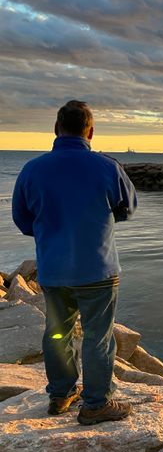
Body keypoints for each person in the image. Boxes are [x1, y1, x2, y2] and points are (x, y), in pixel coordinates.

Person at [12, 100, 137, 425]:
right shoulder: (108, 167)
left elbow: (22, 220)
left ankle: (60, 395)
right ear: (91, 132)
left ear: (56, 129)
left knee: (57, 332)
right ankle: (96, 404)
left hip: (54, 270)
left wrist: (48, 230)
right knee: (98, 335)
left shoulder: (32, 170)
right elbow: (127, 208)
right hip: (98, 269)